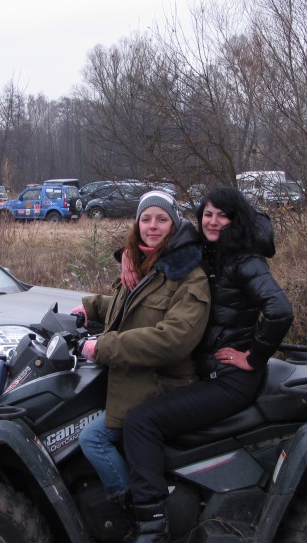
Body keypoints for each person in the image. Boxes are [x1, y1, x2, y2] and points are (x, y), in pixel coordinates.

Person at [118, 186, 294, 543]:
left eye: (222, 215)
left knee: (141, 422)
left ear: (236, 219)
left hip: (229, 381)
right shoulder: (211, 250)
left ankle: (153, 533)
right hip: (208, 372)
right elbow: (167, 244)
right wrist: (128, 255)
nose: (212, 222)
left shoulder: (244, 260)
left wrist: (253, 356)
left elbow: (280, 310)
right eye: (207, 214)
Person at [76, 190, 210, 508]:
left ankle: (131, 508)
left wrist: (103, 347)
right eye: (146, 219)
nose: (152, 226)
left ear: (174, 225)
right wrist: (90, 308)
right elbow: (132, 307)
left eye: (162, 219)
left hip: (160, 383)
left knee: (92, 438)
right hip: (133, 376)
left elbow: (173, 339)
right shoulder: (145, 263)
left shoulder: (189, 276)